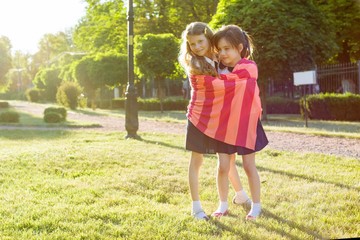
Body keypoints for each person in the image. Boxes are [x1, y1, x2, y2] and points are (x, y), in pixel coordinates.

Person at [188, 24, 268, 220]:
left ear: (239, 48)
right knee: (223, 165)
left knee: (249, 166)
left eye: (227, 49)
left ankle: (256, 206)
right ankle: (223, 204)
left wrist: (217, 82)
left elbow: (226, 84)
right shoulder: (218, 67)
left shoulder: (248, 66)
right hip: (226, 124)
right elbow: (216, 88)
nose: (222, 53)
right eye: (220, 49)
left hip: (247, 123)